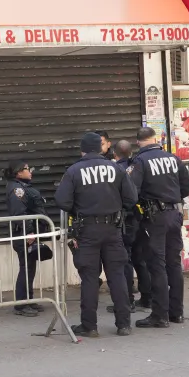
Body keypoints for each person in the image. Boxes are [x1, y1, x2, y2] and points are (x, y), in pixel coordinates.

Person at [55, 133, 137, 337]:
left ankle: (89, 326)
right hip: (113, 229)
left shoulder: (74, 171)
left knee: (90, 278)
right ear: (102, 148)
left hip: (88, 230)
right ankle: (124, 324)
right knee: (117, 276)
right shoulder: (116, 168)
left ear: (82, 150)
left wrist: (79, 209)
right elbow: (131, 197)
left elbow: (62, 201)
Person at [126, 127, 189, 329]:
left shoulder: (139, 162)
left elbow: (131, 192)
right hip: (174, 214)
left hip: (154, 217)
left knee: (156, 264)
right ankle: (177, 312)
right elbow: (188, 187)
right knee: (173, 263)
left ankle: (160, 315)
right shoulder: (173, 159)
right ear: (155, 139)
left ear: (138, 142)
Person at [4, 158, 54, 317]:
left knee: (30, 267)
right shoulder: (17, 189)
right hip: (24, 235)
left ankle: (28, 300)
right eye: (27, 169)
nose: (30, 171)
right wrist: (29, 233)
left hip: (29, 233)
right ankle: (21, 305)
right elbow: (20, 213)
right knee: (26, 268)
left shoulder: (22, 186)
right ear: (19, 172)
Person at [108, 140, 151, 314]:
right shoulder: (137, 166)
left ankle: (128, 301)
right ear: (131, 153)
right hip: (139, 219)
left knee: (124, 261)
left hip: (124, 220)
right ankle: (147, 298)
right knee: (140, 259)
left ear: (114, 154)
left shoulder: (115, 171)